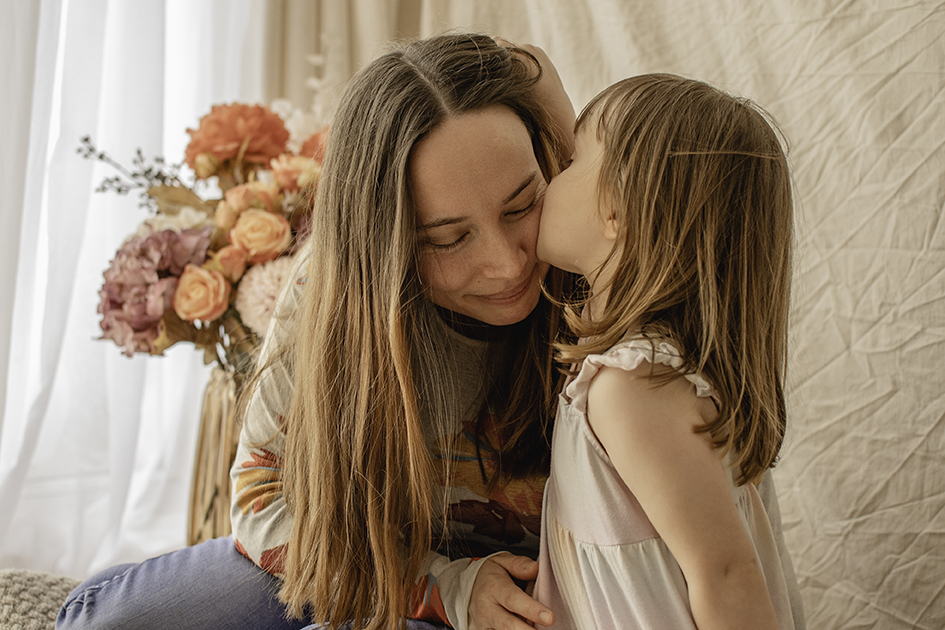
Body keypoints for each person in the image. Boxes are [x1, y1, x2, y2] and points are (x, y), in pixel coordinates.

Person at [58, 37, 801, 630]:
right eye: (447, 239)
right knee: (107, 621)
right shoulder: (335, 289)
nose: (507, 263)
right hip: (386, 558)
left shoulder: (602, 270)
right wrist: (441, 586)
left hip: (529, 594)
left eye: (522, 205)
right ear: (382, 246)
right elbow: (263, 500)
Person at [532, 73, 803, 630]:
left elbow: (725, 576)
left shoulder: (633, 388)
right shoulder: (651, 367)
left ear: (616, 210)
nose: (549, 178)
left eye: (572, 160)